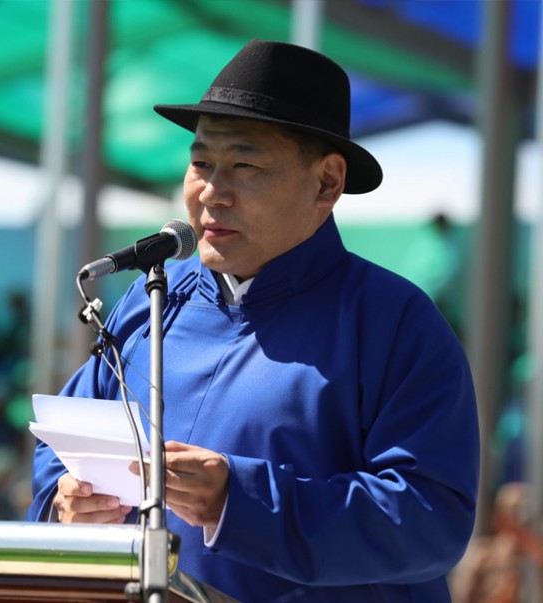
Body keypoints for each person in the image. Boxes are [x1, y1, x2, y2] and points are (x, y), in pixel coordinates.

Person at [28, 39, 480, 602]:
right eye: (201, 163)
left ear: (327, 182)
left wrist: (238, 501)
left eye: (245, 165)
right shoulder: (151, 300)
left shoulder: (394, 322)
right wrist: (66, 503)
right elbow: (62, 449)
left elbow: (430, 519)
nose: (212, 193)